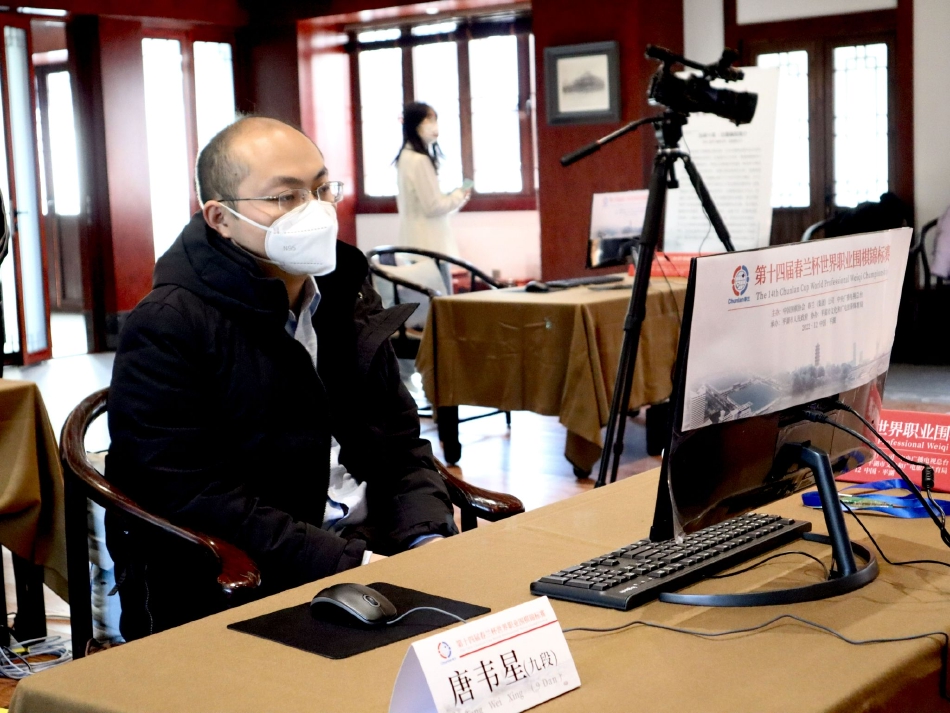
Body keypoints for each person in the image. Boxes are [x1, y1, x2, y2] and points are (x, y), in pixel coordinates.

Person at [105, 116, 458, 640]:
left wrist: (426, 537)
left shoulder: (345, 296)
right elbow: (193, 495)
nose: (314, 210)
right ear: (221, 218)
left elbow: (400, 443)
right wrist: (351, 564)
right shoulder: (168, 324)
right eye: (285, 197)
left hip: (375, 548)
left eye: (321, 189)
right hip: (259, 574)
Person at [395, 102, 471, 258]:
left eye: (435, 120)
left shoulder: (405, 156)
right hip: (428, 246)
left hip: (415, 242)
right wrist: (459, 195)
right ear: (415, 123)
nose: (434, 125)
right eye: (428, 120)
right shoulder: (419, 160)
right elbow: (433, 207)